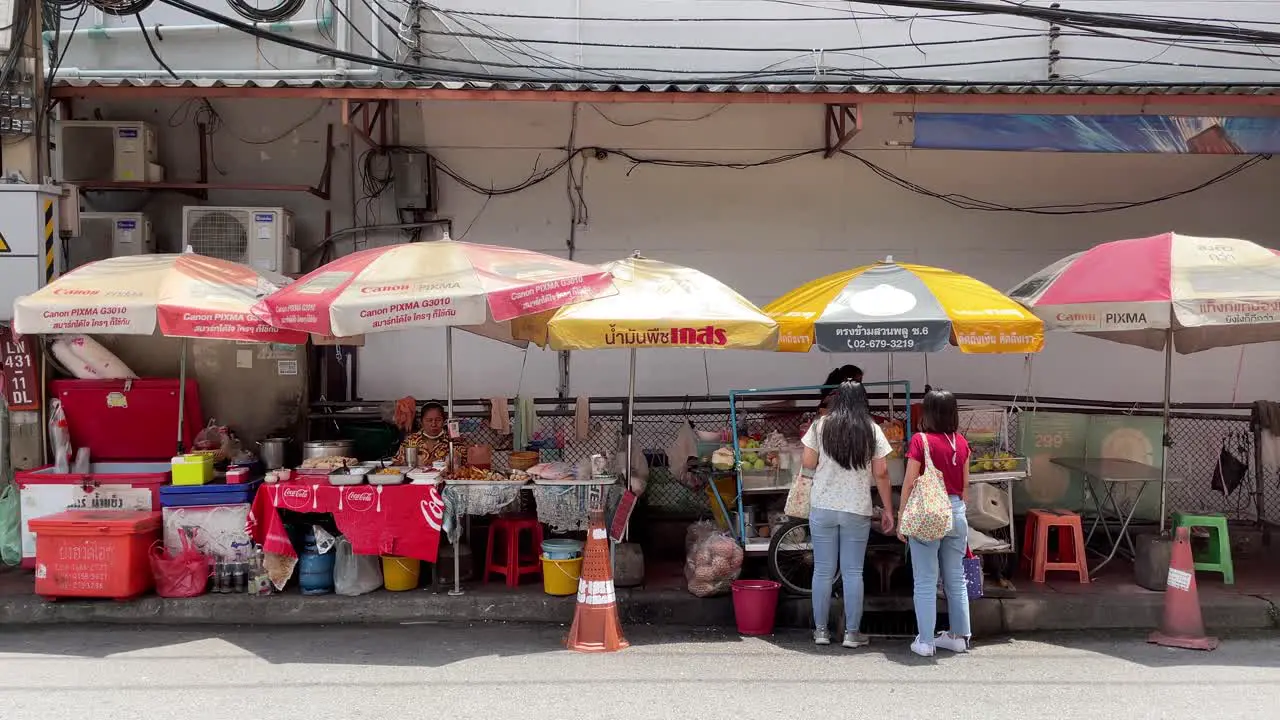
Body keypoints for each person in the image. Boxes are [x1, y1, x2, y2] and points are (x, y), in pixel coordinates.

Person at [800, 381, 895, 648]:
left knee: (822, 571)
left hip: (823, 506)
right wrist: (888, 509)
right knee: (853, 572)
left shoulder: (820, 426)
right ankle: (852, 634)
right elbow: (882, 473)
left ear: (838, 399)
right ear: (863, 401)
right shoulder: (872, 429)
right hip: (856, 508)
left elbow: (807, 463)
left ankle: (821, 631)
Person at [896, 389, 971, 657]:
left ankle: (926, 642)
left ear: (927, 413)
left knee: (926, 580)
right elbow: (965, 486)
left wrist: (902, 518)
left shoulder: (921, 441)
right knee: (956, 578)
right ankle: (958, 637)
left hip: (928, 514)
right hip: (956, 512)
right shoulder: (961, 442)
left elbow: (908, 482)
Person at [392, 402, 466, 468]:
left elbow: (464, 463)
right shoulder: (411, 441)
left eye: (438, 420)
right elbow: (396, 462)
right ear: (421, 422)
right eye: (429, 420)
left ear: (444, 421)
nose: (433, 424)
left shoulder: (453, 441)